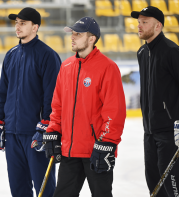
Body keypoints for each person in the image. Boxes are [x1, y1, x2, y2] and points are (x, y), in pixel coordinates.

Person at [42, 17, 126, 197]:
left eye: (78, 34)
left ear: (91, 39)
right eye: (72, 33)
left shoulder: (107, 67)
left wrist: (107, 144)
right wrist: (53, 131)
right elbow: (57, 106)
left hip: (97, 151)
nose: (72, 37)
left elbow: (114, 111)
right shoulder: (66, 66)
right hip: (69, 152)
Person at [0, 7, 61, 197]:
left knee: (44, 189)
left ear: (35, 27)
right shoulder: (11, 55)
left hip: (36, 134)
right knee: (18, 189)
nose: (17, 27)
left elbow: (52, 95)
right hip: (12, 134)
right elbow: (3, 92)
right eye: (16, 23)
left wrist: (47, 124)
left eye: (23, 23)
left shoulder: (47, 55)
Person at [131, 6, 179, 196]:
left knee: (172, 187)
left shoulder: (173, 52)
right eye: (138, 22)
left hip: (170, 134)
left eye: (144, 22)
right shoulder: (142, 53)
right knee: (154, 185)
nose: (139, 26)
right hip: (149, 133)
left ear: (158, 26)